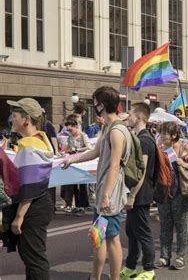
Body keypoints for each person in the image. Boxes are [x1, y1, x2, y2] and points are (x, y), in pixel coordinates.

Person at [63, 86, 129, 280]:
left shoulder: (117, 131)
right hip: (104, 191)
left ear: (101, 105)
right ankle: (96, 277)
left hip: (111, 193)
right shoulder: (108, 128)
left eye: (95, 102)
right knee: (99, 237)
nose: (93, 106)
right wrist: (72, 160)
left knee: (112, 238)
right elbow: (95, 152)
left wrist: (106, 195)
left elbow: (115, 166)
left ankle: (112, 278)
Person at [4, 98, 54, 279]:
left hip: (33, 207)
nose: (12, 119)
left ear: (26, 119)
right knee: (34, 257)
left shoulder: (29, 145)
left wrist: (19, 216)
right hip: (41, 203)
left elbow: (30, 185)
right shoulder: (41, 139)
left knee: (34, 259)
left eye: (15, 115)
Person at [156, 121, 188, 269]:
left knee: (181, 225)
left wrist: (184, 164)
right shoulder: (159, 147)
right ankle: (165, 256)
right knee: (165, 225)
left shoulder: (184, 147)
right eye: (161, 132)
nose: (162, 135)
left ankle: (181, 256)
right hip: (164, 191)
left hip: (181, 192)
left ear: (174, 135)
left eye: (164, 133)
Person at [120, 103, 157, 279]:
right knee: (132, 231)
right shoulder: (139, 137)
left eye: (131, 113)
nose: (128, 116)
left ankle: (149, 270)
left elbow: (140, 172)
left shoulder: (144, 140)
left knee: (143, 232)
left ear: (139, 116)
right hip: (136, 193)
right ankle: (130, 267)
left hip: (140, 194)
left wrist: (132, 195)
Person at [63, 118, 93, 215]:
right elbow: (67, 148)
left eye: (70, 130)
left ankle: (82, 205)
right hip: (74, 163)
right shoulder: (70, 137)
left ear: (76, 127)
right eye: (68, 130)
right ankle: (76, 205)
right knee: (73, 184)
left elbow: (89, 147)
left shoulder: (83, 136)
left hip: (82, 162)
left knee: (82, 184)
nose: (69, 132)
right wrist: (65, 151)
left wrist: (77, 149)